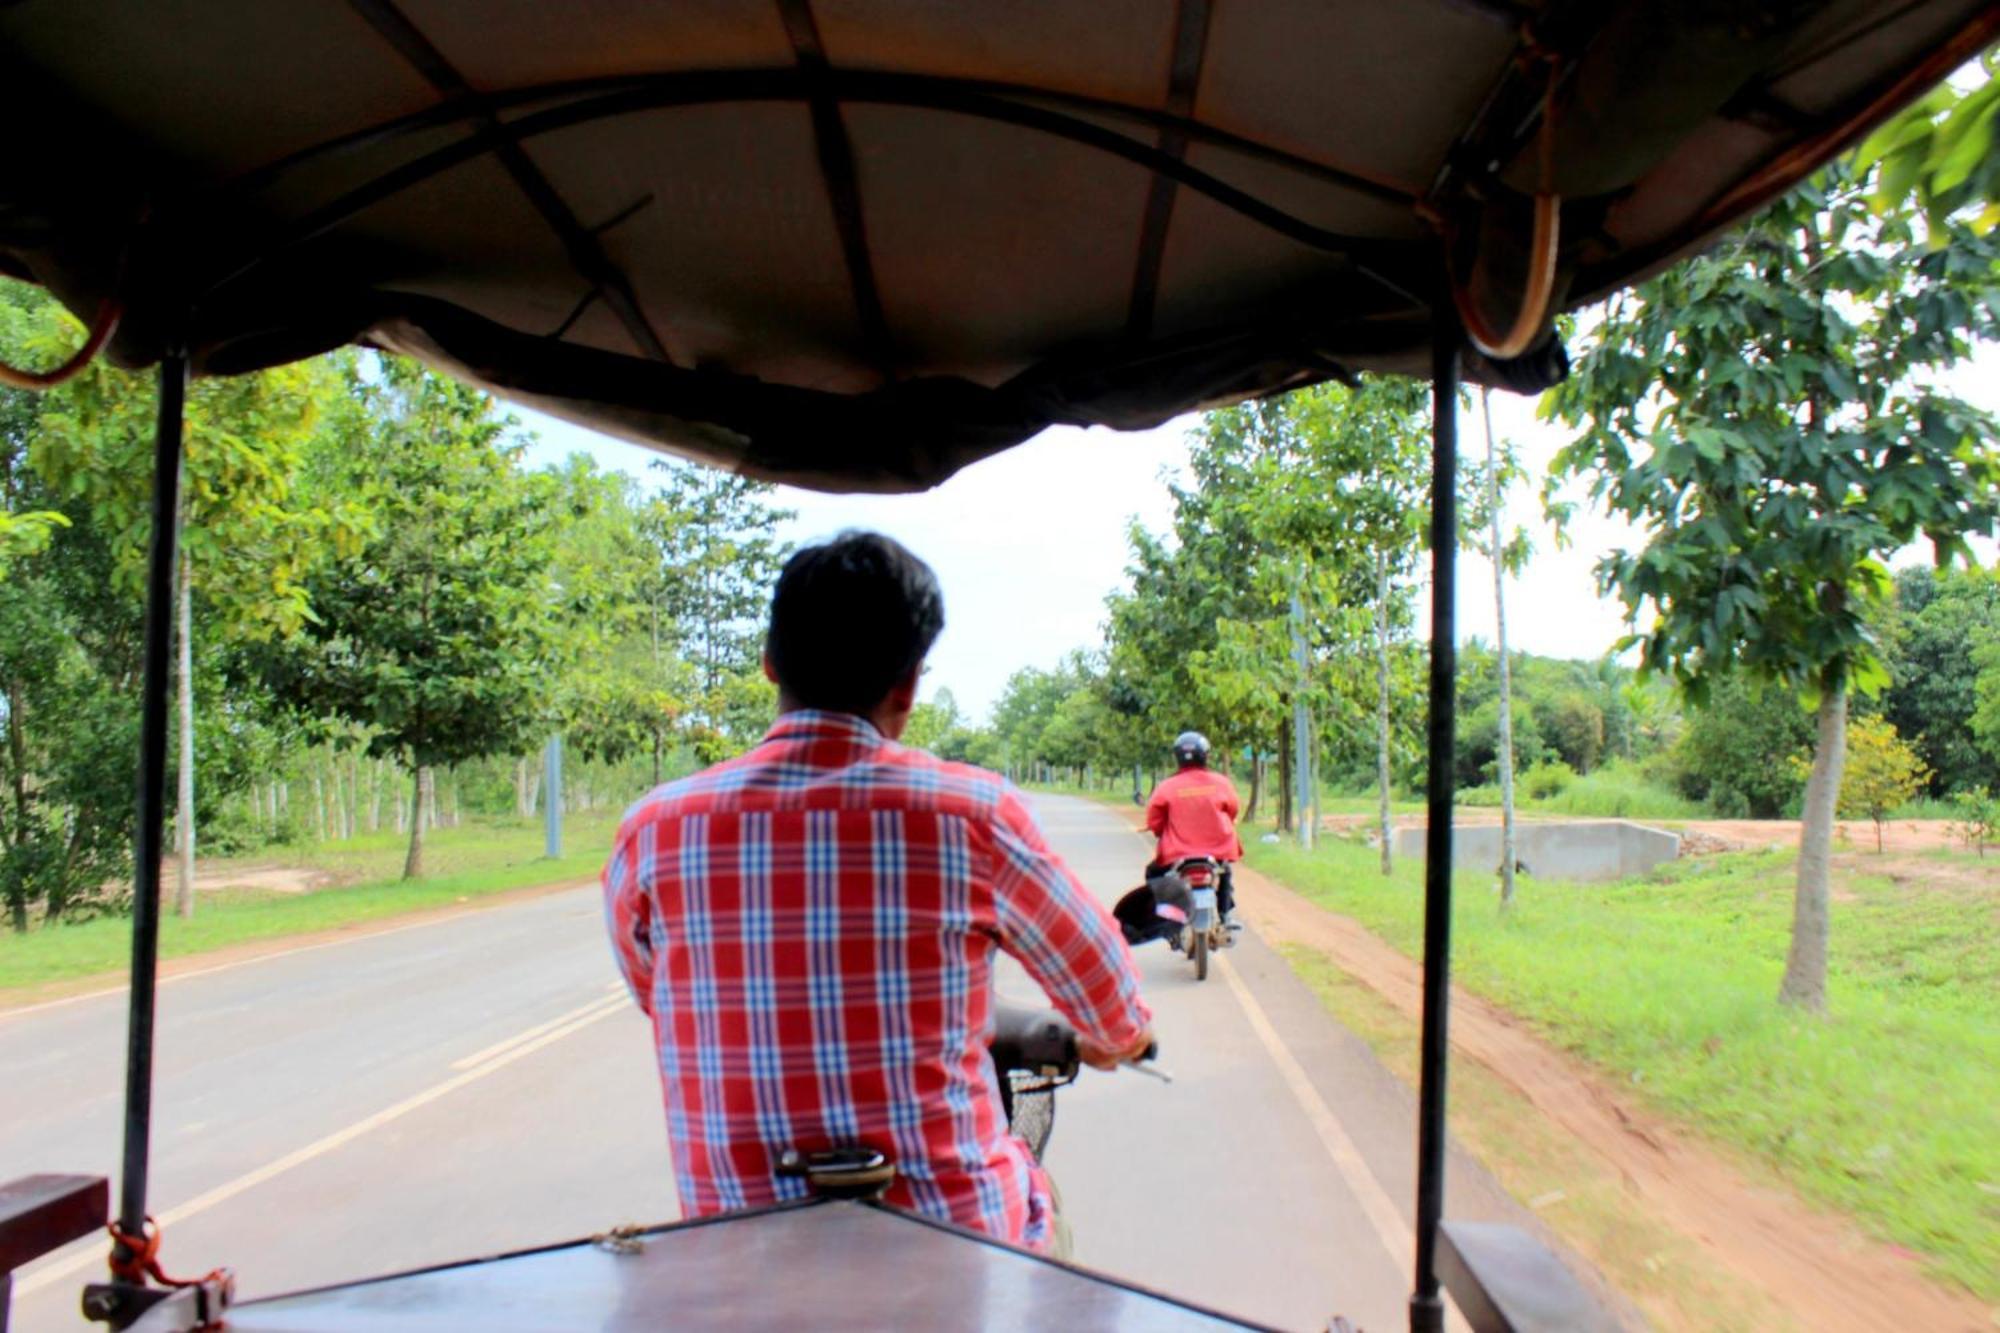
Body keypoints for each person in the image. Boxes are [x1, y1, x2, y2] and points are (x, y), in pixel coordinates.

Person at [603, 530, 1154, 1258]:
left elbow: (657, 990)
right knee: (1037, 1203)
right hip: (953, 1245)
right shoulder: (972, 814)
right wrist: (1121, 1039)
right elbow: (1111, 1004)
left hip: (733, 1250)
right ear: (909, 684)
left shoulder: (654, 829)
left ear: (771, 661)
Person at [1143, 731, 1243, 922]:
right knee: (1225, 871)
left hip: (1178, 852)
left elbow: (1155, 821)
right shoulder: (1221, 783)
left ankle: (1166, 917)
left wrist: (1160, 831)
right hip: (1218, 849)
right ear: (1206, 755)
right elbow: (1233, 810)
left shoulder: (1167, 786)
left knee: (1154, 873)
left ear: (1178, 757)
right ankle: (1224, 914)